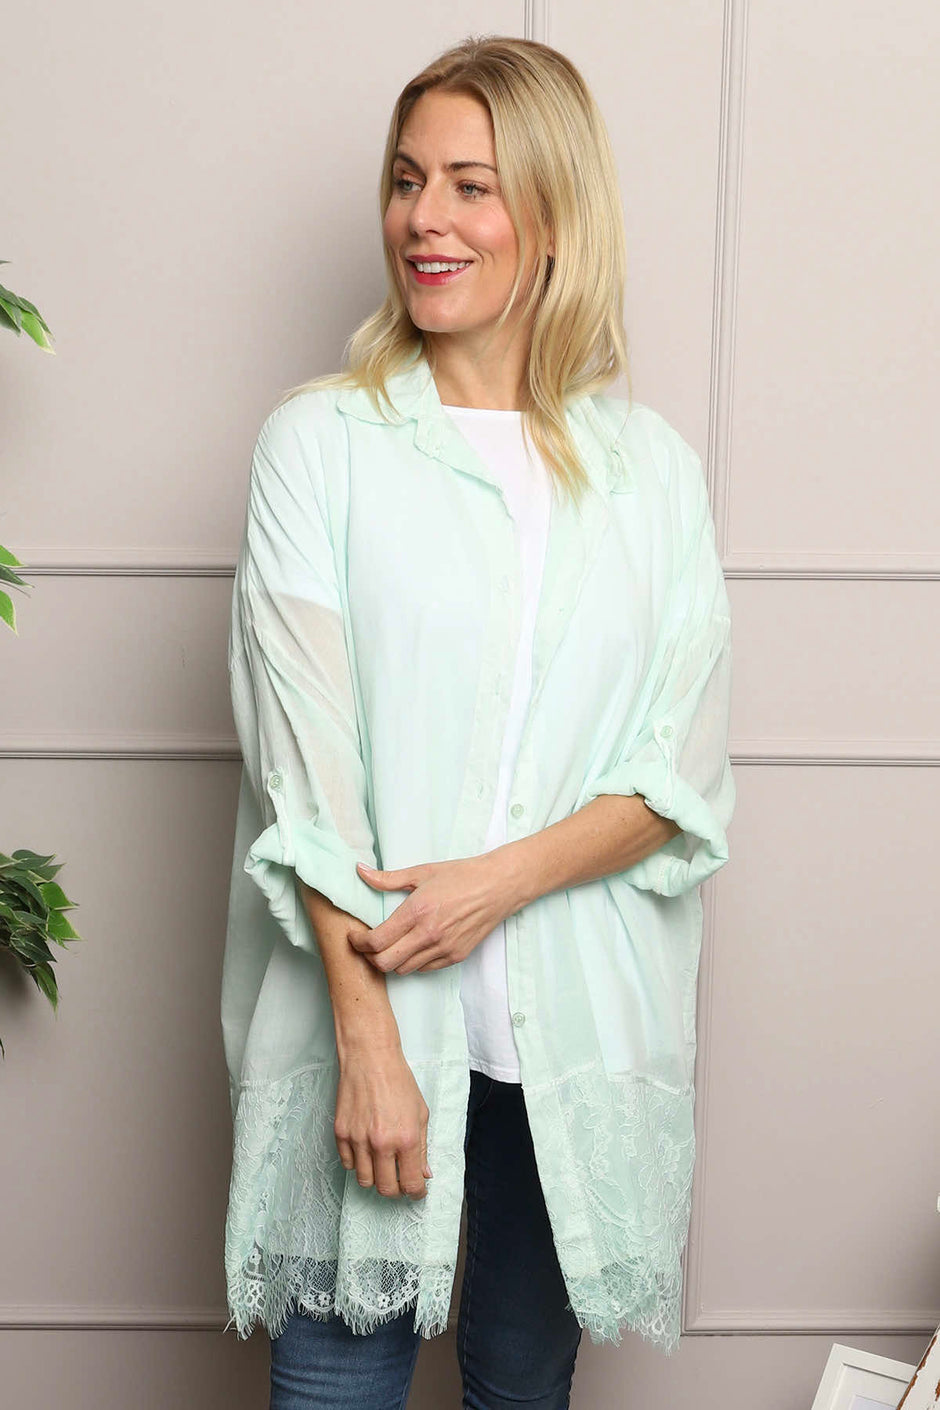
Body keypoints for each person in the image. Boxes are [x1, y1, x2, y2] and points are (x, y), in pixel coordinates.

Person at [220, 33, 736, 1410]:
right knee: (333, 1385)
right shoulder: (319, 447)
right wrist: (368, 1040)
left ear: (555, 217)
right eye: (406, 181)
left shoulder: (652, 476)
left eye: (470, 185)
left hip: (568, 1040)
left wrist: (492, 885)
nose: (424, 220)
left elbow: (675, 778)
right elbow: (305, 780)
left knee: (522, 1389)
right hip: (373, 1020)